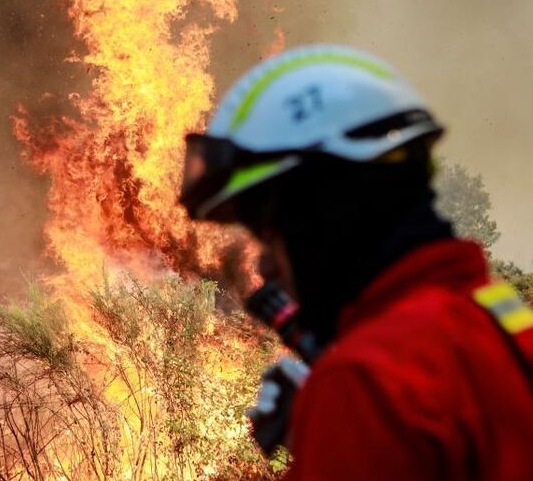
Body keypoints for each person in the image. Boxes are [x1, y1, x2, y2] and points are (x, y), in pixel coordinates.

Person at [179, 44, 533, 480]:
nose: (267, 267)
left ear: (324, 213)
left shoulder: (369, 379)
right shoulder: (494, 316)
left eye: (270, 235)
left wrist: (335, 424)